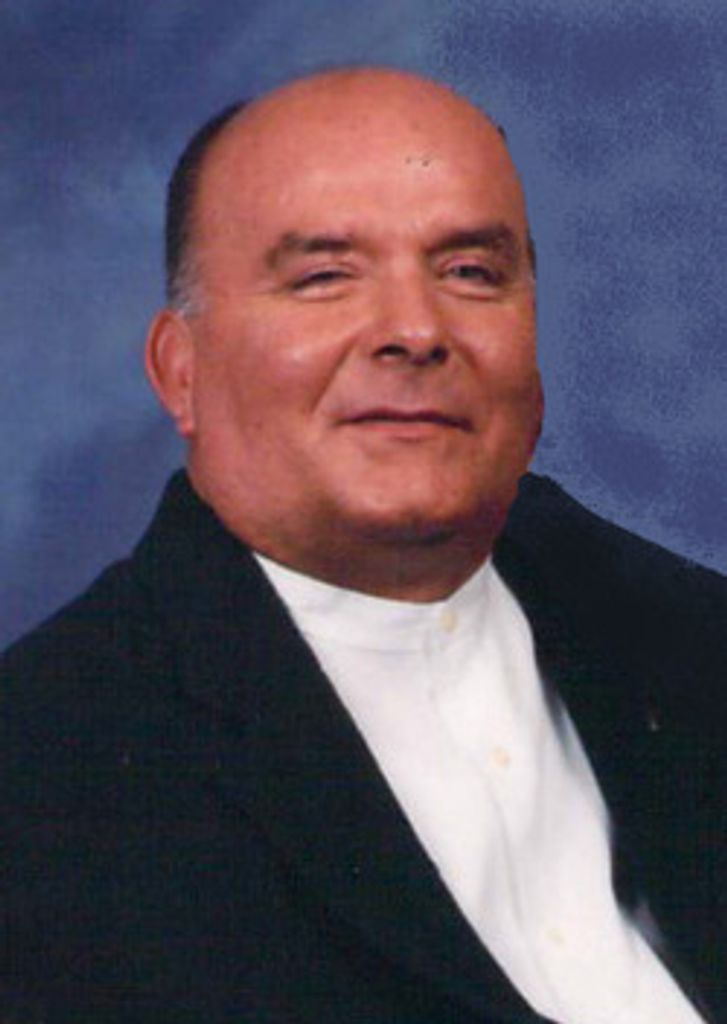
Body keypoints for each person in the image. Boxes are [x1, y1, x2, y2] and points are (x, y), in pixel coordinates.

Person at [0, 67, 724, 1023]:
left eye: (469, 273)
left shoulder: (687, 636)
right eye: (324, 278)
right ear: (180, 373)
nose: (415, 331)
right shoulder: (40, 780)